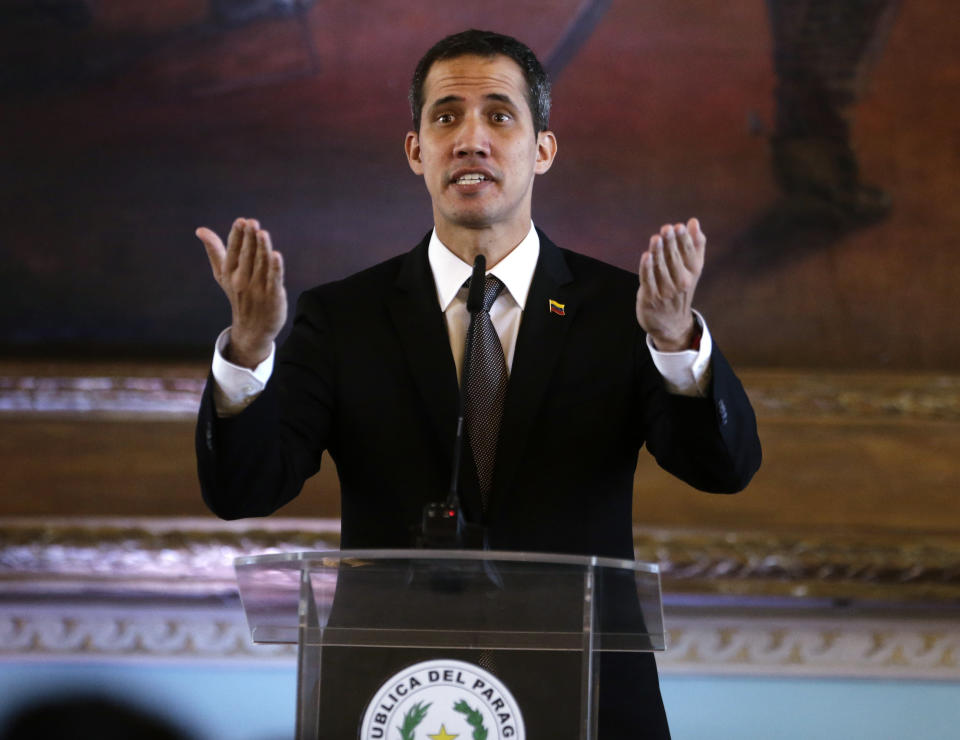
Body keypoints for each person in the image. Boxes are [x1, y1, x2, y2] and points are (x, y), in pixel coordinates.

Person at [195, 29, 761, 737]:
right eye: (444, 117)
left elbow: (722, 469)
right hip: (395, 703)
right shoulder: (344, 318)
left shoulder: (625, 312)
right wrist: (248, 349)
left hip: (584, 700)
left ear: (543, 149)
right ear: (415, 152)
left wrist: (677, 341)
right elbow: (244, 488)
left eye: (499, 115)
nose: (470, 139)